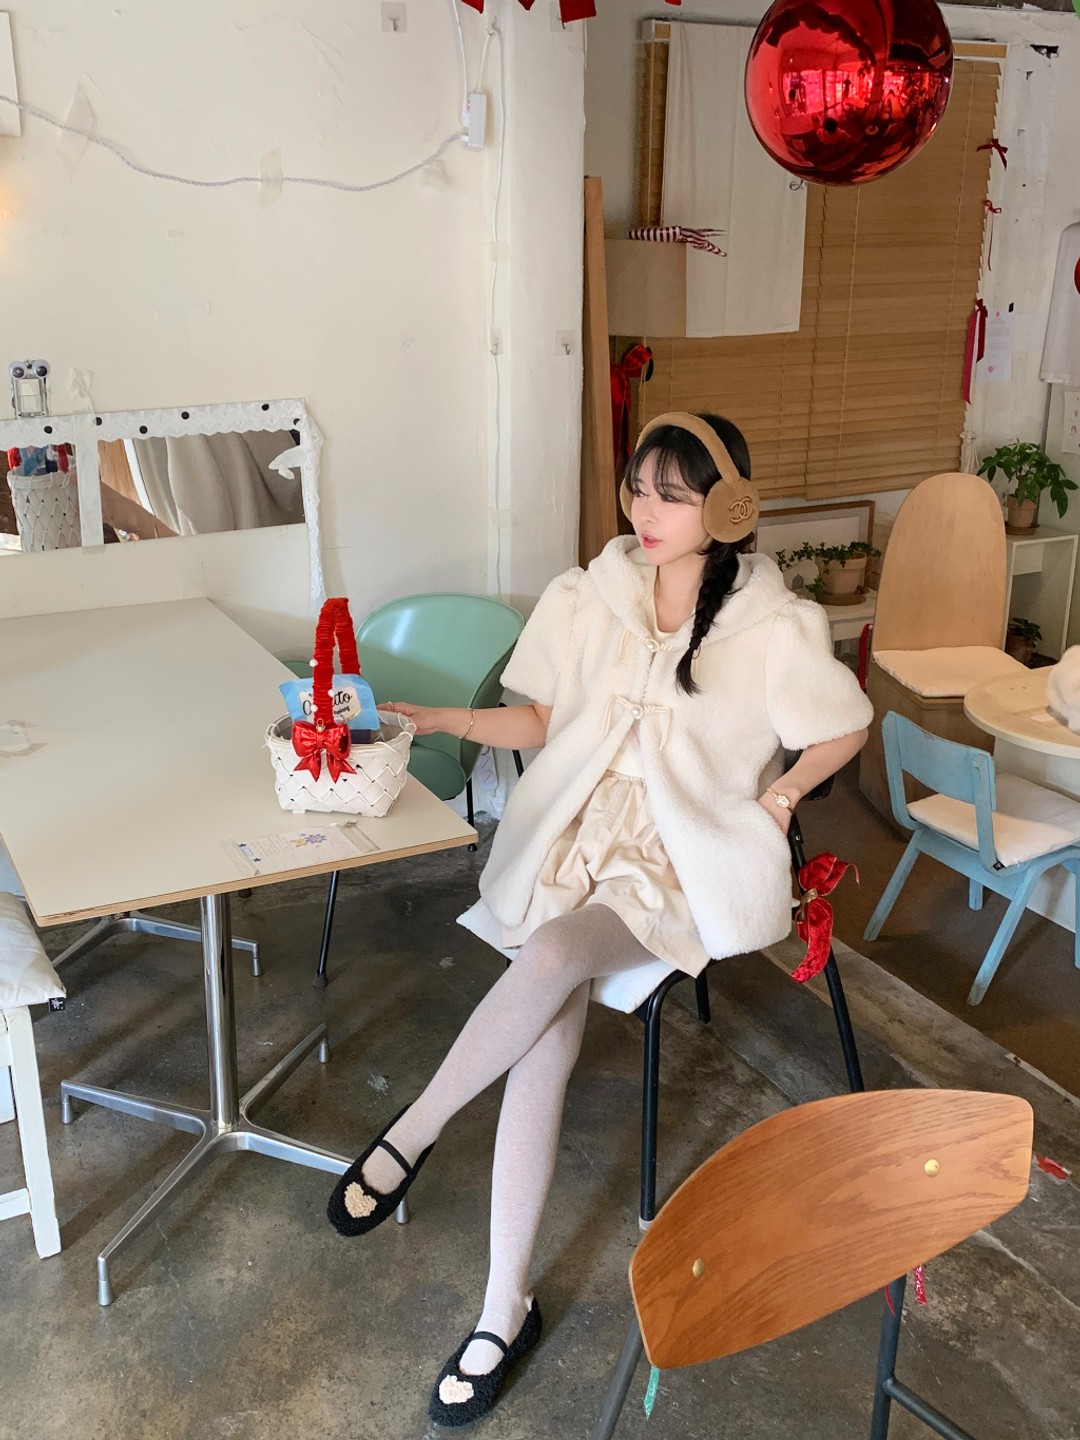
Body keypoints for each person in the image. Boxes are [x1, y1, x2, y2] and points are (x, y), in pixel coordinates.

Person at [326, 411, 873, 1426]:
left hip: (675, 862)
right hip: (571, 838)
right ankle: (503, 1310)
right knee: (544, 1036)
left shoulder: (773, 622)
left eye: (673, 494)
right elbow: (542, 719)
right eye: (637, 489)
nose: (645, 511)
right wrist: (442, 720)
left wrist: (782, 793)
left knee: (550, 953)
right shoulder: (588, 594)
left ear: (727, 505)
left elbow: (842, 726)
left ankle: (414, 1129)